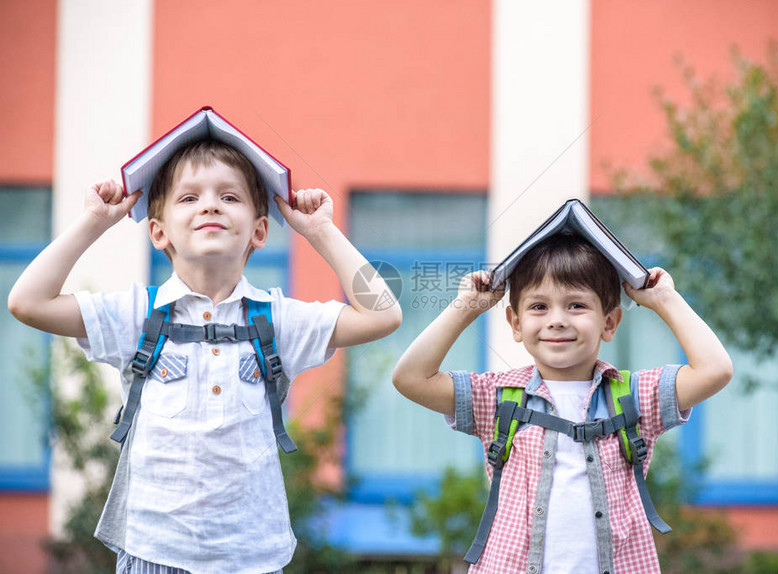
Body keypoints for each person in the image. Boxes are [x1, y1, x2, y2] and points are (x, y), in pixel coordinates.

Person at [7, 140, 402, 574]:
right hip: (152, 553)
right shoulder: (137, 315)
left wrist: (321, 231)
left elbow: (383, 314)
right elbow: (28, 301)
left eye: (229, 197)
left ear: (259, 230)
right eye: (190, 197)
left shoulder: (279, 320)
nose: (210, 206)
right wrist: (93, 222)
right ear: (158, 231)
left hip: (253, 559)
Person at [392, 233, 732, 573]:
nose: (557, 319)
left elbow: (714, 370)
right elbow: (410, 377)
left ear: (609, 322)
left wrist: (665, 300)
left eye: (577, 305)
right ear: (516, 323)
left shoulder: (634, 395)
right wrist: (467, 307)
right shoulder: (496, 397)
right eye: (539, 307)